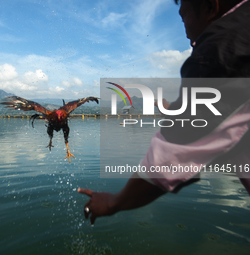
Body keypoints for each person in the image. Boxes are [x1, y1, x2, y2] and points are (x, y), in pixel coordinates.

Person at [78, 0, 250, 225]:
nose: (185, 29)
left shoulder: (222, 49)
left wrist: (113, 202)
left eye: (183, 17)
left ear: (210, 7)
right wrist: (179, 112)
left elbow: (172, 159)